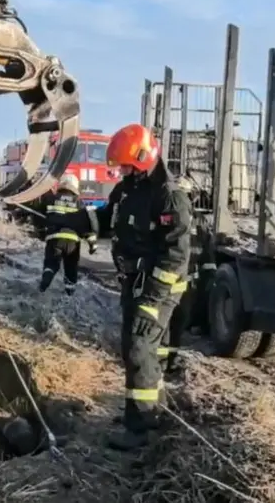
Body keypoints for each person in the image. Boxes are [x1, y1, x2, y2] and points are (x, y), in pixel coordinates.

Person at [93, 123, 192, 451]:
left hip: (157, 288)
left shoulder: (169, 196)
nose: (121, 171)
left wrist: (151, 300)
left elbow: (175, 256)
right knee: (138, 349)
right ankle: (153, 414)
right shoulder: (128, 189)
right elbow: (106, 219)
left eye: (125, 165)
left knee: (139, 346)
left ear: (142, 157)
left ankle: (142, 431)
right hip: (134, 283)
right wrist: (68, 222)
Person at [163, 177, 218, 375]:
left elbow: (206, 247)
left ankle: (170, 359)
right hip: (166, 278)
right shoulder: (164, 217)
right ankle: (160, 360)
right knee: (166, 320)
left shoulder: (199, 220)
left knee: (178, 320)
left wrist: (209, 272)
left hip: (186, 279)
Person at [39, 173, 98, 296]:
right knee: (71, 269)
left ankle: (43, 287)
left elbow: (39, 214)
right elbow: (87, 225)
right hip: (73, 243)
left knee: (51, 264)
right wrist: (92, 244)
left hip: (54, 239)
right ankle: (69, 294)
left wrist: (40, 230)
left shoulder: (50, 199)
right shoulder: (79, 203)